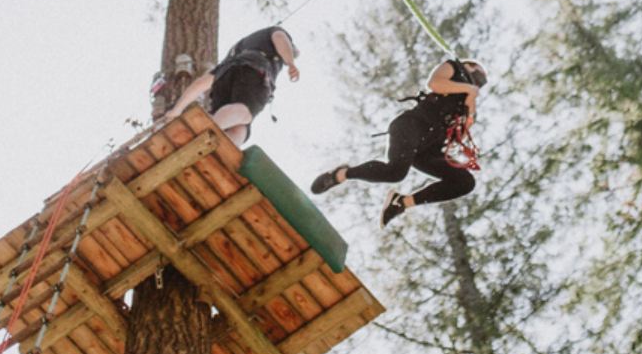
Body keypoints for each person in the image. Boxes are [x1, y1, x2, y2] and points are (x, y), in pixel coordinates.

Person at [309, 58, 488, 228]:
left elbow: (460, 136)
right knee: (395, 172)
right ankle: (341, 174)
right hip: (412, 125)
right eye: (480, 73)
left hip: (429, 149)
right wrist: (468, 88)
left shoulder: (469, 100)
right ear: (470, 66)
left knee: (464, 182)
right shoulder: (454, 67)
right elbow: (434, 84)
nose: (481, 80)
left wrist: (470, 106)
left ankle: (401, 203)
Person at [162, 26, 299, 145]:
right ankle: (206, 132)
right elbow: (280, 37)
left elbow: (201, 83)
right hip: (255, 70)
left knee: (240, 124)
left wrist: (176, 110)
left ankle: (216, 144)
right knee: (244, 112)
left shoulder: (236, 53)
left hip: (224, 77)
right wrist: (290, 62)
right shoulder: (274, 33)